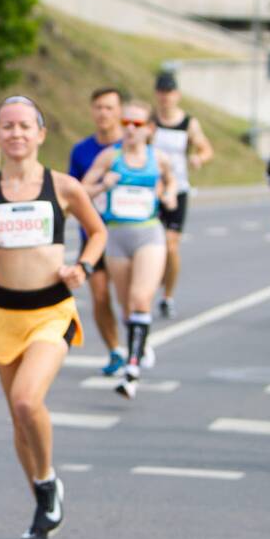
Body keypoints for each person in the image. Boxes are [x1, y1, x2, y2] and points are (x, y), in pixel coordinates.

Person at [0, 96, 106, 539]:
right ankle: (41, 493)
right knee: (20, 423)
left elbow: (98, 232)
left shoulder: (64, 187)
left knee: (24, 401)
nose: (15, 133)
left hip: (52, 310)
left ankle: (49, 481)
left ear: (40, 134)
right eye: (7, 126)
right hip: (4, 313)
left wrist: (84, 267)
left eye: (24, 126)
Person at [82, 100, 177, 399]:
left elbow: (171, 182)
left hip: (149, 234)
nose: (130, 130)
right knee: (125, 305)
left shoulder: (158, 158)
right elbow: (81, 191)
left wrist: (169, 194)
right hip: (117, 236)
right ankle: (140, 340)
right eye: (126, 124)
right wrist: (102, 186)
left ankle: (131, 371)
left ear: (149, 129)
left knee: (140, 298)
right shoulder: (110, 157)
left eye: (137, 125)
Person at [69, 87, 126, 376]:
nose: (103, 113)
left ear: (120, 112)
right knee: (101, 295)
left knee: (129, 298)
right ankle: (116, 350)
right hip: (93, 235)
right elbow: (73, 193)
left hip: (128, 237)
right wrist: (101, 185)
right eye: (99, 108)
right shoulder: (81, 151)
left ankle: (138, 341)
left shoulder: (132, 147)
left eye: (109, 108)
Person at [152, 70, 214, 320]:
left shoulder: (188, 123)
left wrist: (199, 157)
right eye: (162, 93)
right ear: (157, 95)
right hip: (152, 189)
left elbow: (206, 148)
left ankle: (168, 295)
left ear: (176, 95)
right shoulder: (150, 121)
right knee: (151, 243)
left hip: (178, 190)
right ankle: (152, 281)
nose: (166, 98)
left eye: (170, 93)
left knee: (171, 245)